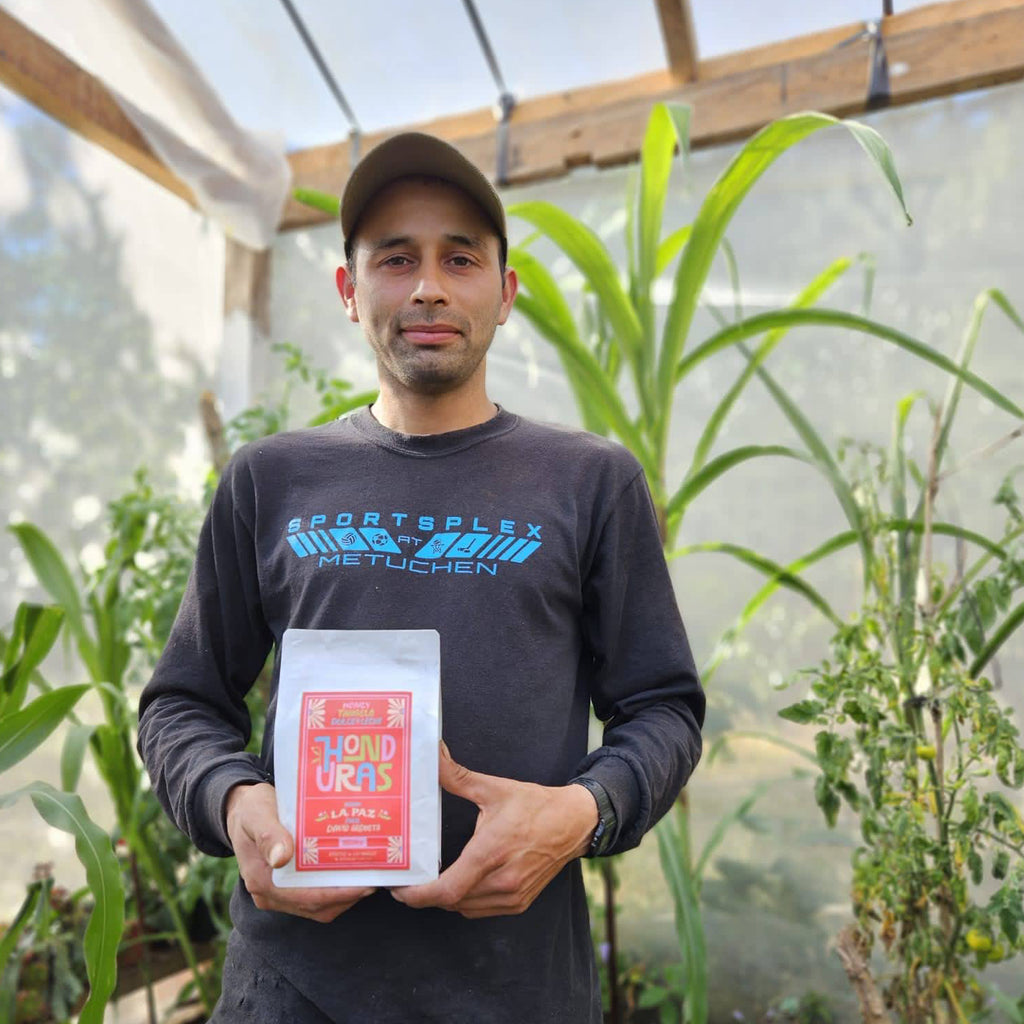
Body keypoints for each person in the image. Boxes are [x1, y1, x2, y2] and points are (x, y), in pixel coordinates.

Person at [137, 132, 706, 1024]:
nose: (429, 286)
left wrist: (582, 811)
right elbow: (180, 704)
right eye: (395, 259)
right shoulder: (270, 478)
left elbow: (664, 708)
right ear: (348, 290)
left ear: (506, 293)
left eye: (461, 258)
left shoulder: (590, 482)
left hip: (517, 989)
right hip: (293, 986)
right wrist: (233, 797)